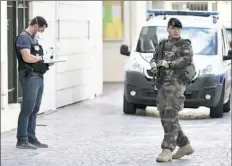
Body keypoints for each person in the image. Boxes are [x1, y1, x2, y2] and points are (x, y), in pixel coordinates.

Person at [150, 18, 195, 162]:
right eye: (173, 28)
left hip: (176, 84)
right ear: (168, 29)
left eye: (178, 28)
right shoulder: (163, 44)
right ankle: (185, 145)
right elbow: (154, 58)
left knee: (170, 113)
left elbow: (186, 59)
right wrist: (153, 65)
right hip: (163, 83)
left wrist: (169, 64)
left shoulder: (185, 44)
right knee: (165, 115)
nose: (176, 31)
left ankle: (167, 149)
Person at [15, 16, 49, 149]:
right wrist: (40, 58)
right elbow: (27, 57)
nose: (40, 33)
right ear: (36, 25)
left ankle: (31, 137)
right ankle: (22, 140)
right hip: (29, 76)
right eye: (41, 30)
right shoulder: (23, 38)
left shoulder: (33, 38)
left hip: (38, 76)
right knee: (27, 109)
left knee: (35, 109)